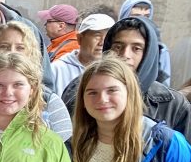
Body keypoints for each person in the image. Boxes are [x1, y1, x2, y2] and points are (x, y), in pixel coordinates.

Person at [61, 16, 191, 138]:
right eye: (118, 47)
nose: (125, 55)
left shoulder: (172, 105)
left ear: (148, 53)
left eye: (136, 48)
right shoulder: (80, 90)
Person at [50, 13, 115, 92]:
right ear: (80, 39)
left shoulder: (116, 71)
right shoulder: (57, 70)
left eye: (108, 37)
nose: (102, 43)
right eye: (97, 36)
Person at [119, 0, 171, 85]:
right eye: (136, 16)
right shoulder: (109, 41)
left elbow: (164, 85)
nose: (142, 20)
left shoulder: (159, 48)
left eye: (146, 16)